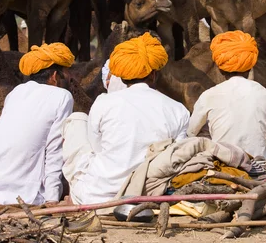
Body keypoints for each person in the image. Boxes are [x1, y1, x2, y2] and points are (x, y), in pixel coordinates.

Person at [61, 32, 190, 204]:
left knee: (76, 120)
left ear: (121, 76)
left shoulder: (103, 102)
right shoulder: (178, 109)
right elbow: (177, 158)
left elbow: (96, 148)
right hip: (150, 196)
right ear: (153, 74)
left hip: (96, 197)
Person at [0, 43, 75, 208]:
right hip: (22, 193)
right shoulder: (62, 96)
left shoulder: (16, 93)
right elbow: (55, 150)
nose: (69, 78)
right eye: (65, 73)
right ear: (54, 76)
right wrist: (52, 197)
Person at [187, 31, 266, 161]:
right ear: (250, 66)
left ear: (220, 69)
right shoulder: (265, 93)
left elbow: (191, 132)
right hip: (260, 162)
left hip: (224, 162)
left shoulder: (208, 95)